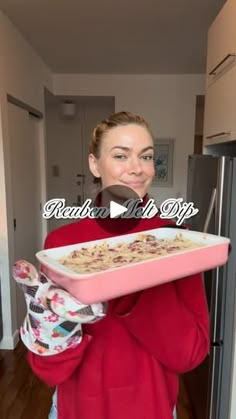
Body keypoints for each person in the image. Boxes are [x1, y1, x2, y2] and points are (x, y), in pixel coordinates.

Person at [13, 111, 210, 419]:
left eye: (146, 157)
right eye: (121, 155)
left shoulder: (177, 242)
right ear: (95, 164)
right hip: (79, 409)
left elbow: (191, 354)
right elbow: (49, 369)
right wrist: (49, 325)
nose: (137, 169)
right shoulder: (62, 246)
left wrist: (134, 287)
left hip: (151, 409)